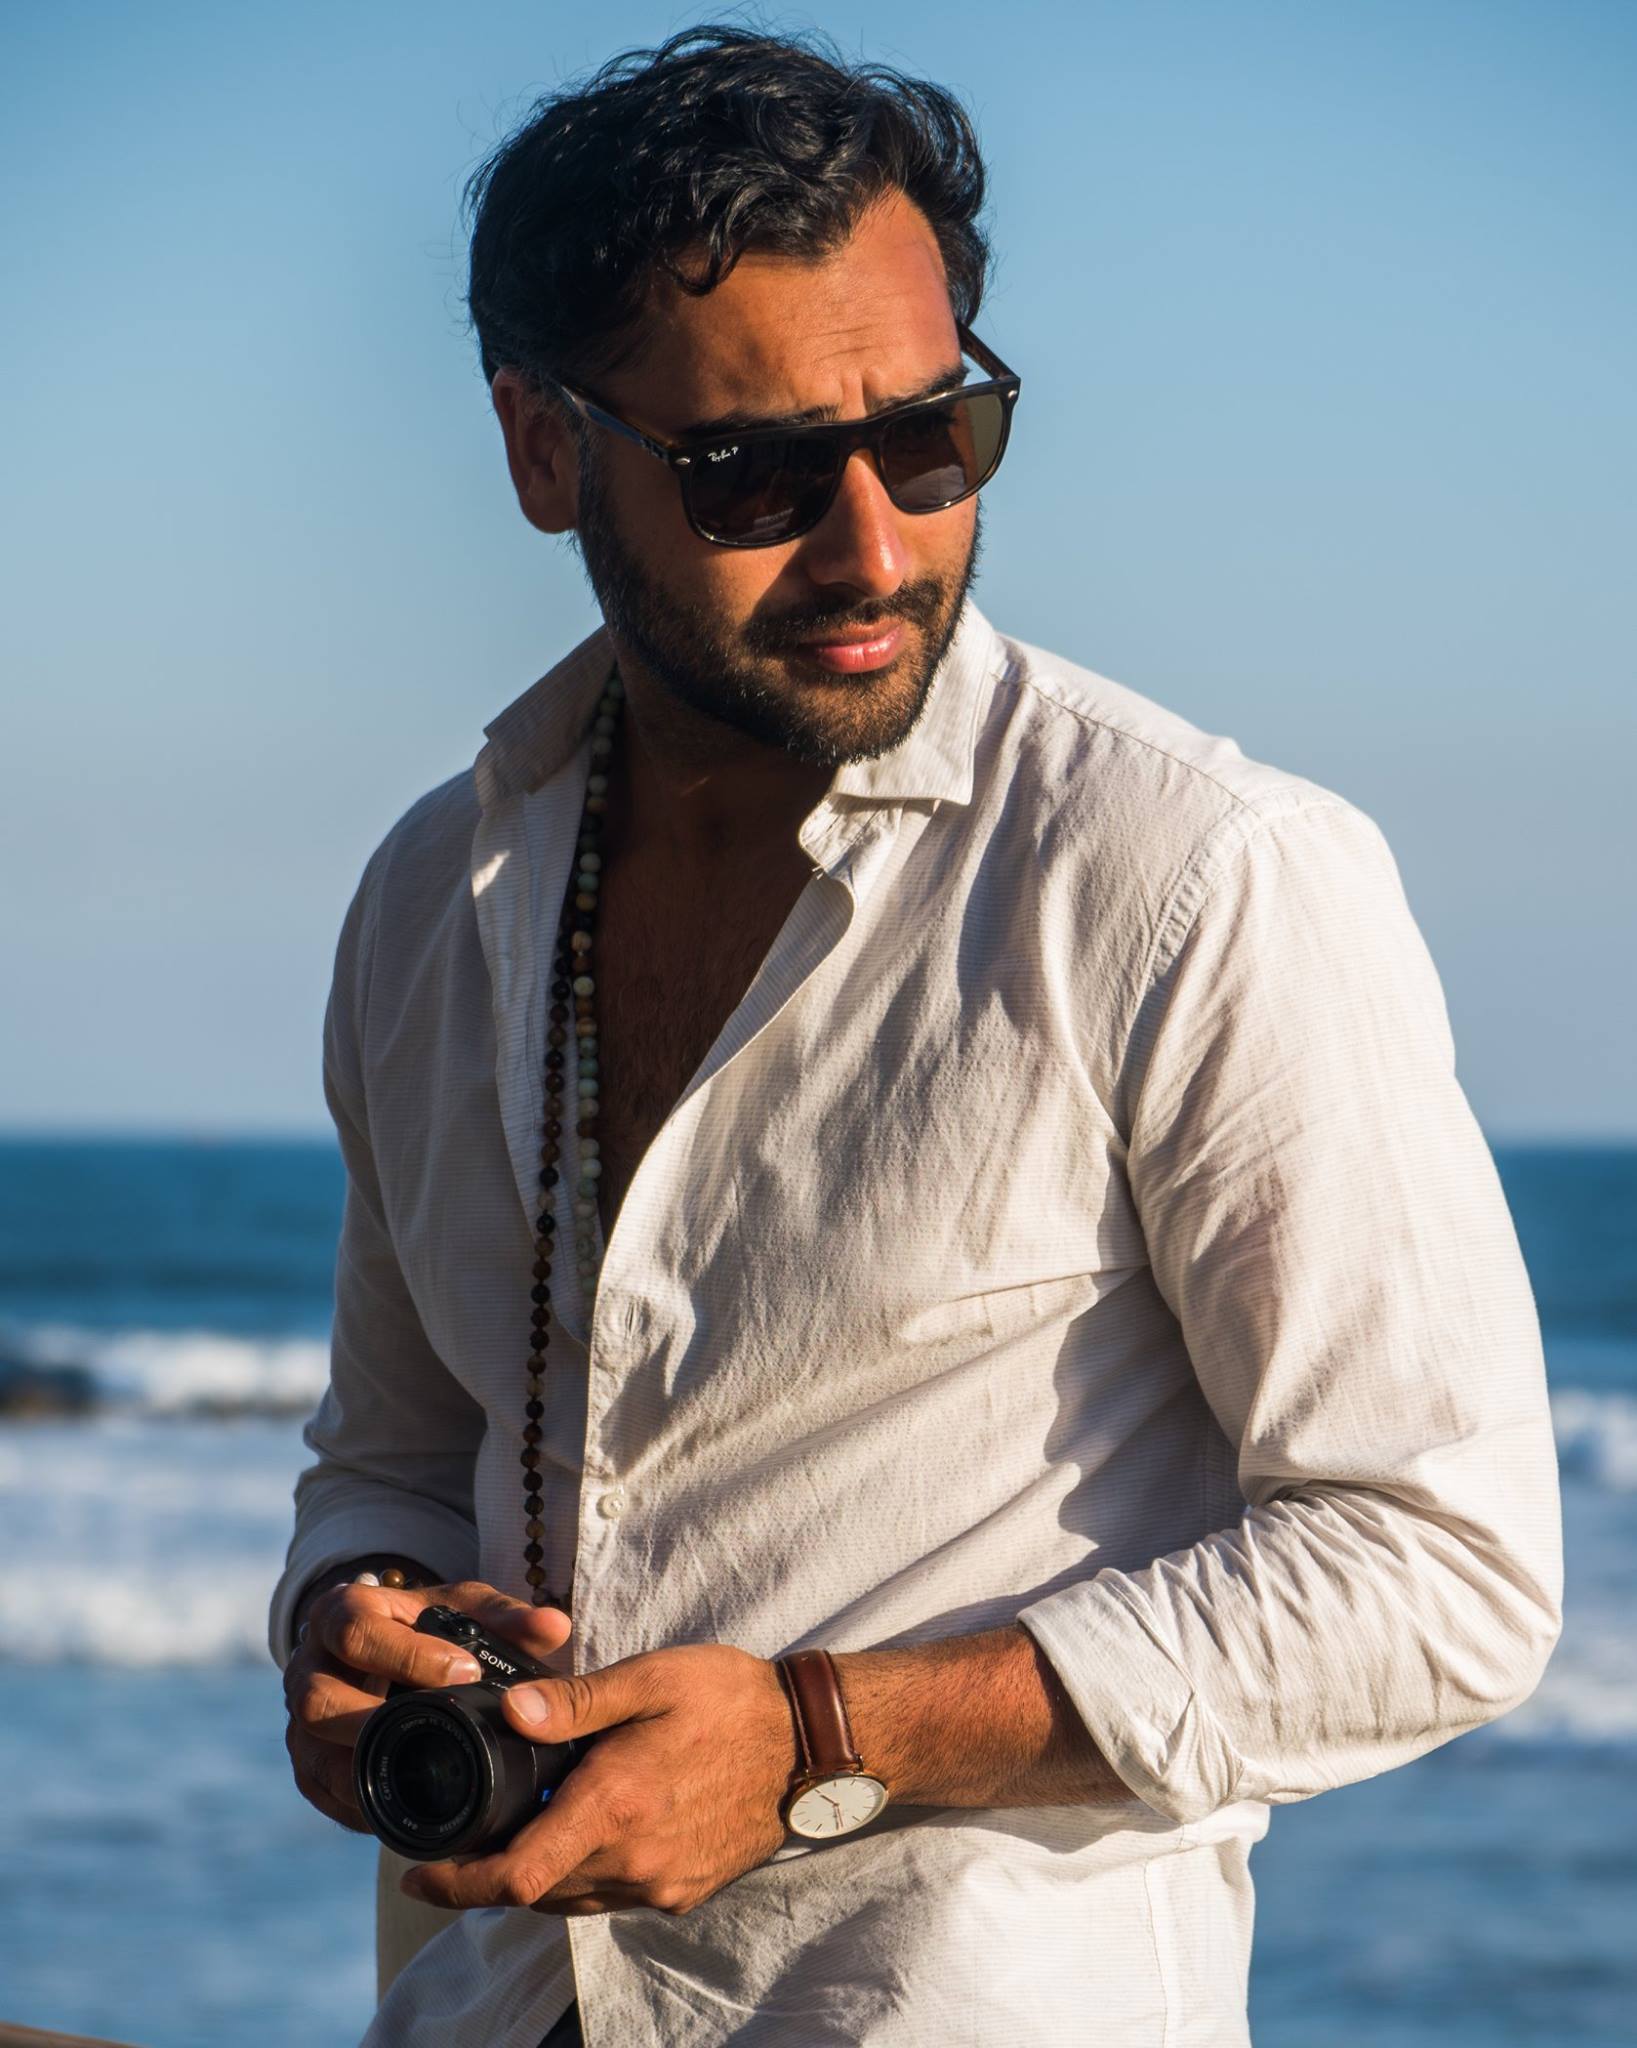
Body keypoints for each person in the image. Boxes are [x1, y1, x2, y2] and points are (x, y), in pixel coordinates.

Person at [271, 27, 1563, 2048]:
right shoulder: (436, 894)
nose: (878, 547)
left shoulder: (1194, 876)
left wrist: (817, 1736)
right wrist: (348, 1619)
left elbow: (1441, 1564)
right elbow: (398, 1455)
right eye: (759, 473)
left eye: (936, 437)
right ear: (541, 452)